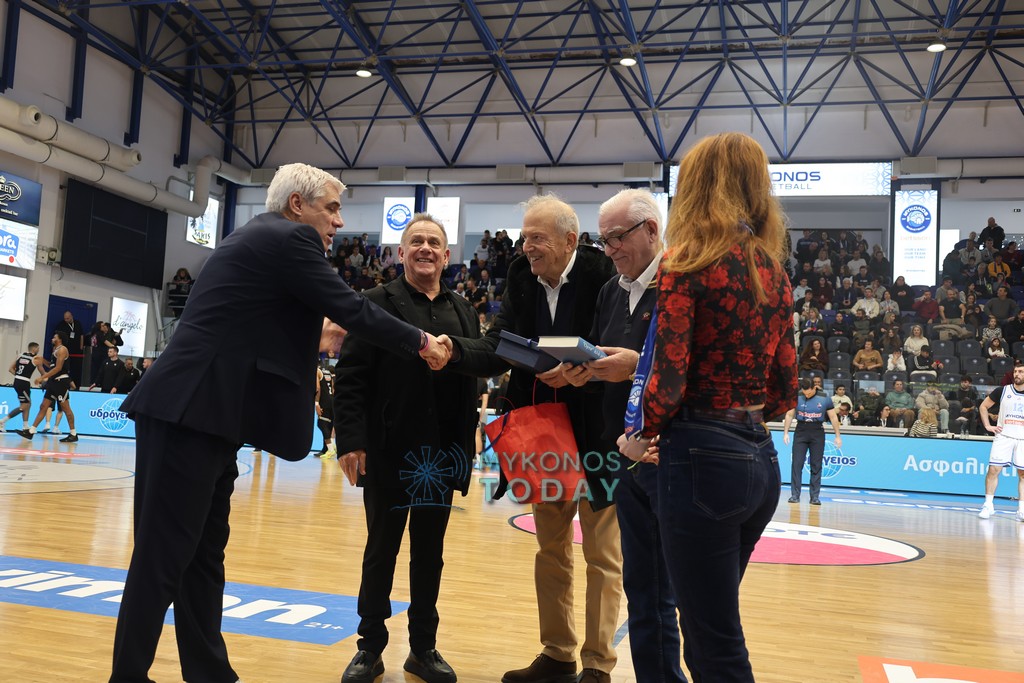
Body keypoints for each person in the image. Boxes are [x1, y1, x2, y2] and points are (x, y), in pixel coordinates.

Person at [107, 163, 451, 683]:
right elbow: (351, 308)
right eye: (331, 208)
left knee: (202, 559)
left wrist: (315, 339)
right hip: (188, 412)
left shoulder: (259, 237)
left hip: (207, 418)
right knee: (162, 559)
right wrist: (421, 341)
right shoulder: (291, 239)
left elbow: (251, 328)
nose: (339, 221)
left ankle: (210, 675)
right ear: (297, 205)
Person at [616, 132, 797, 682]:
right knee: (711, 632)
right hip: (759, 458)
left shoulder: (687, 263)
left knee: (714, 646)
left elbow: (668, 379)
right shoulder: (774, 271)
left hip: (700, 459)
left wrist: (638, 434)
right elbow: (784, 388)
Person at [440, 194, 622, 683]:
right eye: (525, 238)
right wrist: (455, 351)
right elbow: (500, 343)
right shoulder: (521, 275)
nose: (527, 247)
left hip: (598, 434)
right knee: (551, 550)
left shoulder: (604, 272)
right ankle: (558, 653)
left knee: (603, 554)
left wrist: (584, 369)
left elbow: (618, 350)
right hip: (542, 432)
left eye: (537, 238)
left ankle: (598, 663)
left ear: (569, 240)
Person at [334, 214, 489, 683]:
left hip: (440, 456)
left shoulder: (463, 309)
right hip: (387, 450)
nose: (425, 248)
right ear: (400, 253)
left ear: (446, 256)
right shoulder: (374, 302)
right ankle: (369, 648)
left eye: (434, 243)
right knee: (380, 551)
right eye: (416, 241)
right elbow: (351, 376)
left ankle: (423, 648)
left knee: (429, 554)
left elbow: (475, 367)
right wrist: (351, 441)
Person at [559, 189, 683, 683]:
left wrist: (636, 368)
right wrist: (582, 372)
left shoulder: (680, 284)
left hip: (667, 457)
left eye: (616, 237)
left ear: (651, 230)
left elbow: (686, 374)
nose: (608, 249)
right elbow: (604, 362)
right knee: (642, 589)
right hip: (621, 456)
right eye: (603, 239)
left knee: (672, 593)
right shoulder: (612, 290)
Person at [783, 378, 843, 505]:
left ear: (814, 388)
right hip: (801, 430)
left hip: (817, 432)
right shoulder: (796, 396)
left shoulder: (824, 397)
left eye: (809, 393)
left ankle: (814, 497)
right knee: (797, 464)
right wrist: (786, 432)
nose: (807, 395)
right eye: (805, 393)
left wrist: (837, 436)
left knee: (816, 465)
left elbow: (833, 417)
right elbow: (789, 414)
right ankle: (795, 495)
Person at [977, 360, 1024, 521]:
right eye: (1016, 371)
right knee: (993, 470)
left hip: (1022, 439)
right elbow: (983, 407)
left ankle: (1022, 510)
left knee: (1023, 475)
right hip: (1004, 436)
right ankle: (988, 505)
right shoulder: (1003, 390)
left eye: (1021, 372)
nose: (1017, 374)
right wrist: (987, 425)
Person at [16, 332, 78, 443]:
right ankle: (31, 431)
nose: (52, 339)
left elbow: (58, 368)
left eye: (54, 337)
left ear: (60, 339)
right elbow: (51, 365)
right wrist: (43, 360)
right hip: (53, 382)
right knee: (43, 406)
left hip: (61, 382)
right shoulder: (55, 350)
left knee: (66, 408)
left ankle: (73, 434)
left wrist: (42, 377)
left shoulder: (62, 350)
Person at [0, 342, 45, 432]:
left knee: (27, 403)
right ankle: (2, 421)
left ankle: (25, 426)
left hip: (17, 381)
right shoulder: (36, 358)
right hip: (24, 383)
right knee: (25, 405)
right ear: (34, 349)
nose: (39, 350)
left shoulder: (20, 355)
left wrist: (18, 376)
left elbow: (10, 369)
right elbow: (43, 373)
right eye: (38, 348)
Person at [53, 310, 85, 386]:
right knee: (65, 368)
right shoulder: (61, 325)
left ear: (71, 317)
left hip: (76, 351)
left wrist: (81, 346)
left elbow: (81, 335)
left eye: (67, 318)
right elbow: (57, 338)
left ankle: (76, 385)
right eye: (65, 318)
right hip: (66, 350)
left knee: (76, 369)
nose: (66, 320)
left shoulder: (77, 323)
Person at [314, 364, 335, 458]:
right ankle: (325, 449)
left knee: (322, 424)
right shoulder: (327, 372)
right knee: (329, 425)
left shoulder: (317, 371)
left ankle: (330, 449)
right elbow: (333, 387)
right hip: (332, 400)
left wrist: (316, 404)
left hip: (324, 401)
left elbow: (317, 388)